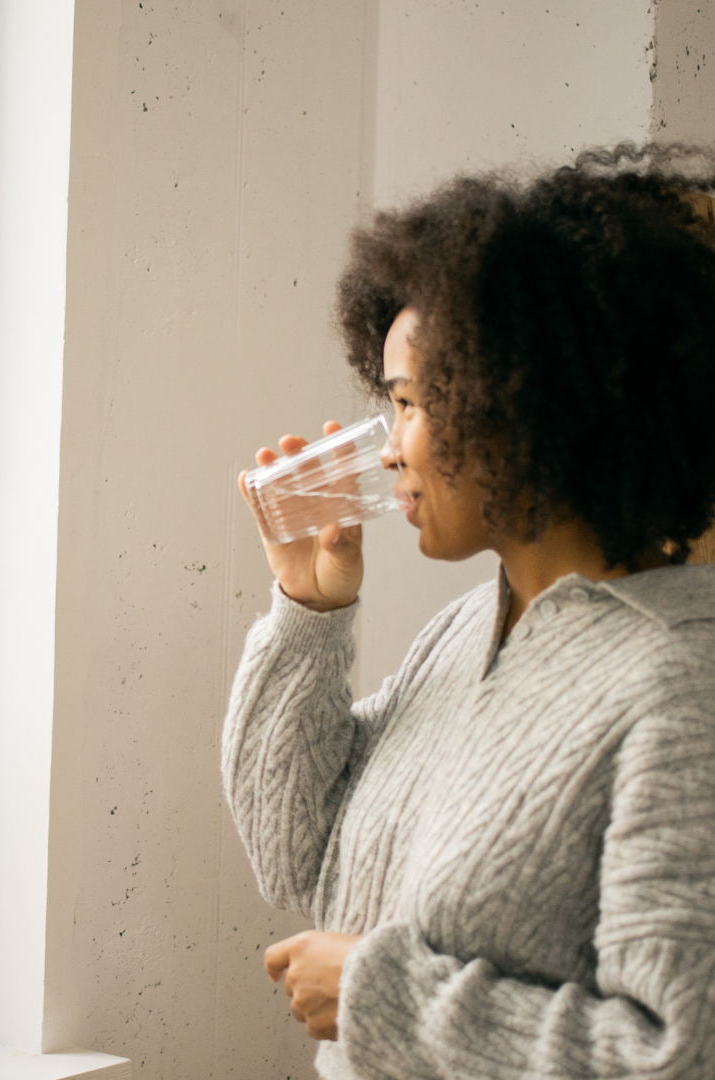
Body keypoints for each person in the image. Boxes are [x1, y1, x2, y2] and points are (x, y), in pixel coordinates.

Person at [222, 143, 715, 1080]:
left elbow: (680, 1055)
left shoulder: (680, 688)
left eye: (408, 402)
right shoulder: (467, 632)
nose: (388, 447)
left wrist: (380, 994)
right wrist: (307, 611)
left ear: (527, 407)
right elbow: (301, 856)